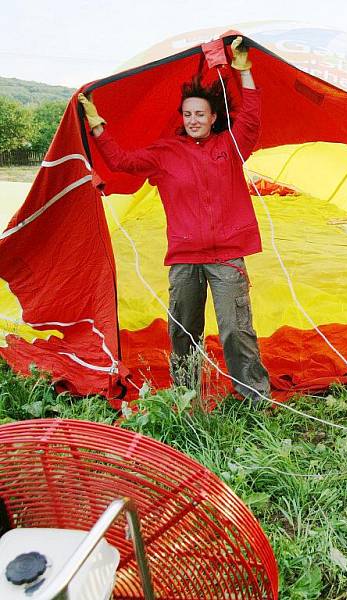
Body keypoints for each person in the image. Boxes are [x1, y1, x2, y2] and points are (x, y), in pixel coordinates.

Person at [78, 37, 271, 403]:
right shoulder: (165, 153)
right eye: (187, 114)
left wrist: (243, 71)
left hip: (228, 256)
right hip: (184, 258)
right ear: (181, 118)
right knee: (184, 331)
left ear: (214, 118)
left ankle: (255, 400)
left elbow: (251, 117)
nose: (194, 120)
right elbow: (121, 161)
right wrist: (97, 125)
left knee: (236, 329)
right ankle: (186, 397)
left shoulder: (230, 145)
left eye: (200, 114)